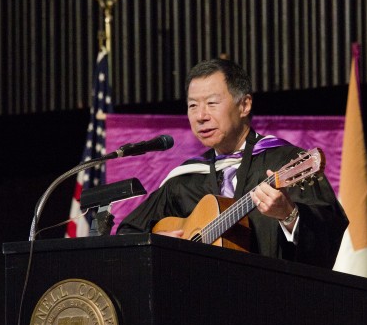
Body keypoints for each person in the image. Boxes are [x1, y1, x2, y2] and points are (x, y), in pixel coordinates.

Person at [117, 58, 348, 269]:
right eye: (192, 105)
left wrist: (289, 216)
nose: (200, 116)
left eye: (211, 103)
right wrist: (154, 244)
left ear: (244, 105)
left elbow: (329, 231)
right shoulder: (184, 180)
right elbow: (127, 233)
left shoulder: (284, 161)